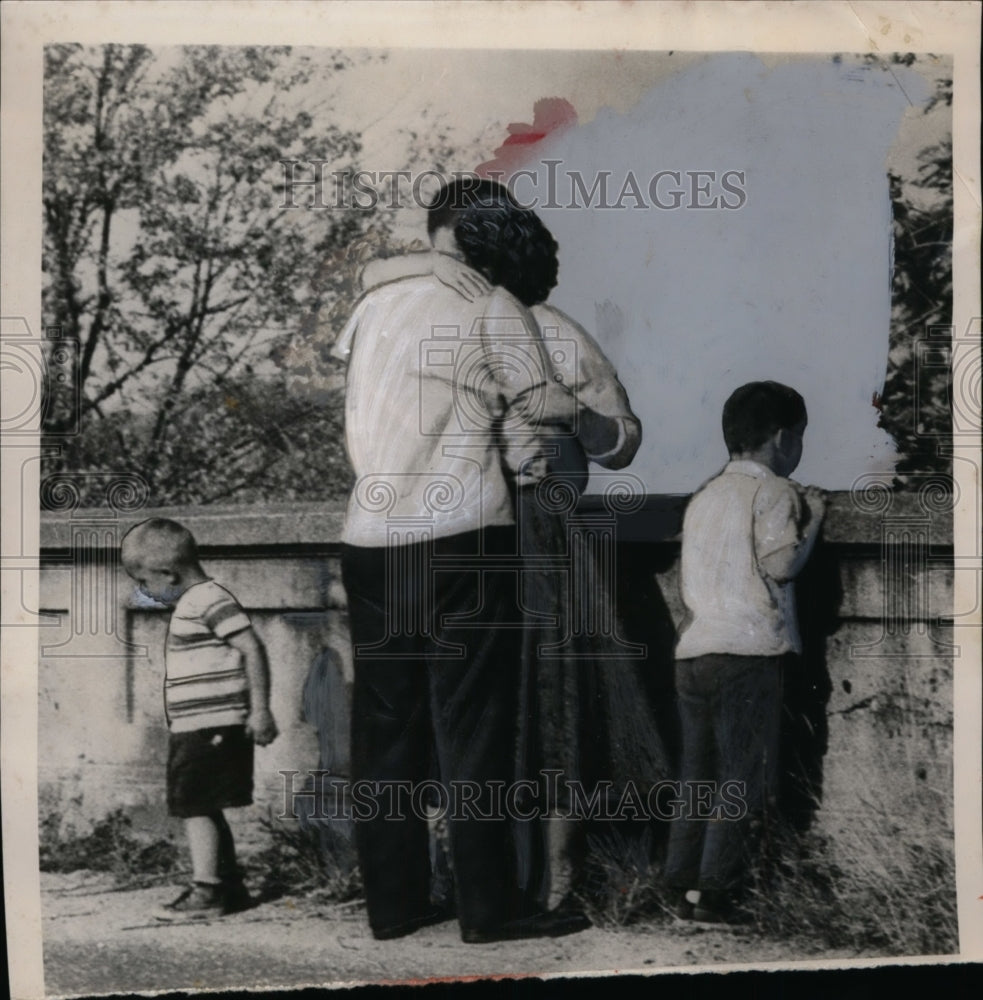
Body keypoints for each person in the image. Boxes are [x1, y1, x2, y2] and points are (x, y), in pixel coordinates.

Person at [360, 188, 669, 910]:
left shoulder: (551, 331)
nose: (447, 268)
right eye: (437, 253)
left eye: (457, 253)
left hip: (540, 540)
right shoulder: (410, 317)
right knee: (461, 709)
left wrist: (576, 416)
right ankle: (466, 882)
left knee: (551, 699)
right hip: (448, 539)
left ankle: (555, 879)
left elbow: (623, 439)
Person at [332, 178, 590, 943]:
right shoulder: (493, 306)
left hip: (370, 536)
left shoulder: (374, 303)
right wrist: (581, 409)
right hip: (461, 533)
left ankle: (394, 905)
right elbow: (543, 403)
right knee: (472, 727)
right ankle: (490, 908)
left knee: (385, 732)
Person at [663, 381, 826, 923]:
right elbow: (781, 564)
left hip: (695, 651)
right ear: (782, 438)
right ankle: (718, 891)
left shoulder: (705, 497)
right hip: (749, 652)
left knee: (697, 775)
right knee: (743, 775)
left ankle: (681, 883)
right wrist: (815, 519)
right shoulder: (774, 491)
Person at [120, 518, 278, 920]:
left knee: (195, 804)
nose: (144, 591)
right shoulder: (195, 603)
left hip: (213, 725)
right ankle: (228, 886)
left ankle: (208, 890)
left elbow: (252, 648)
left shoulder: (207, 600)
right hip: (198, 726)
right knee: (203, 803)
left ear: (168, 573)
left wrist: (260, 709)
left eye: (145, 582)